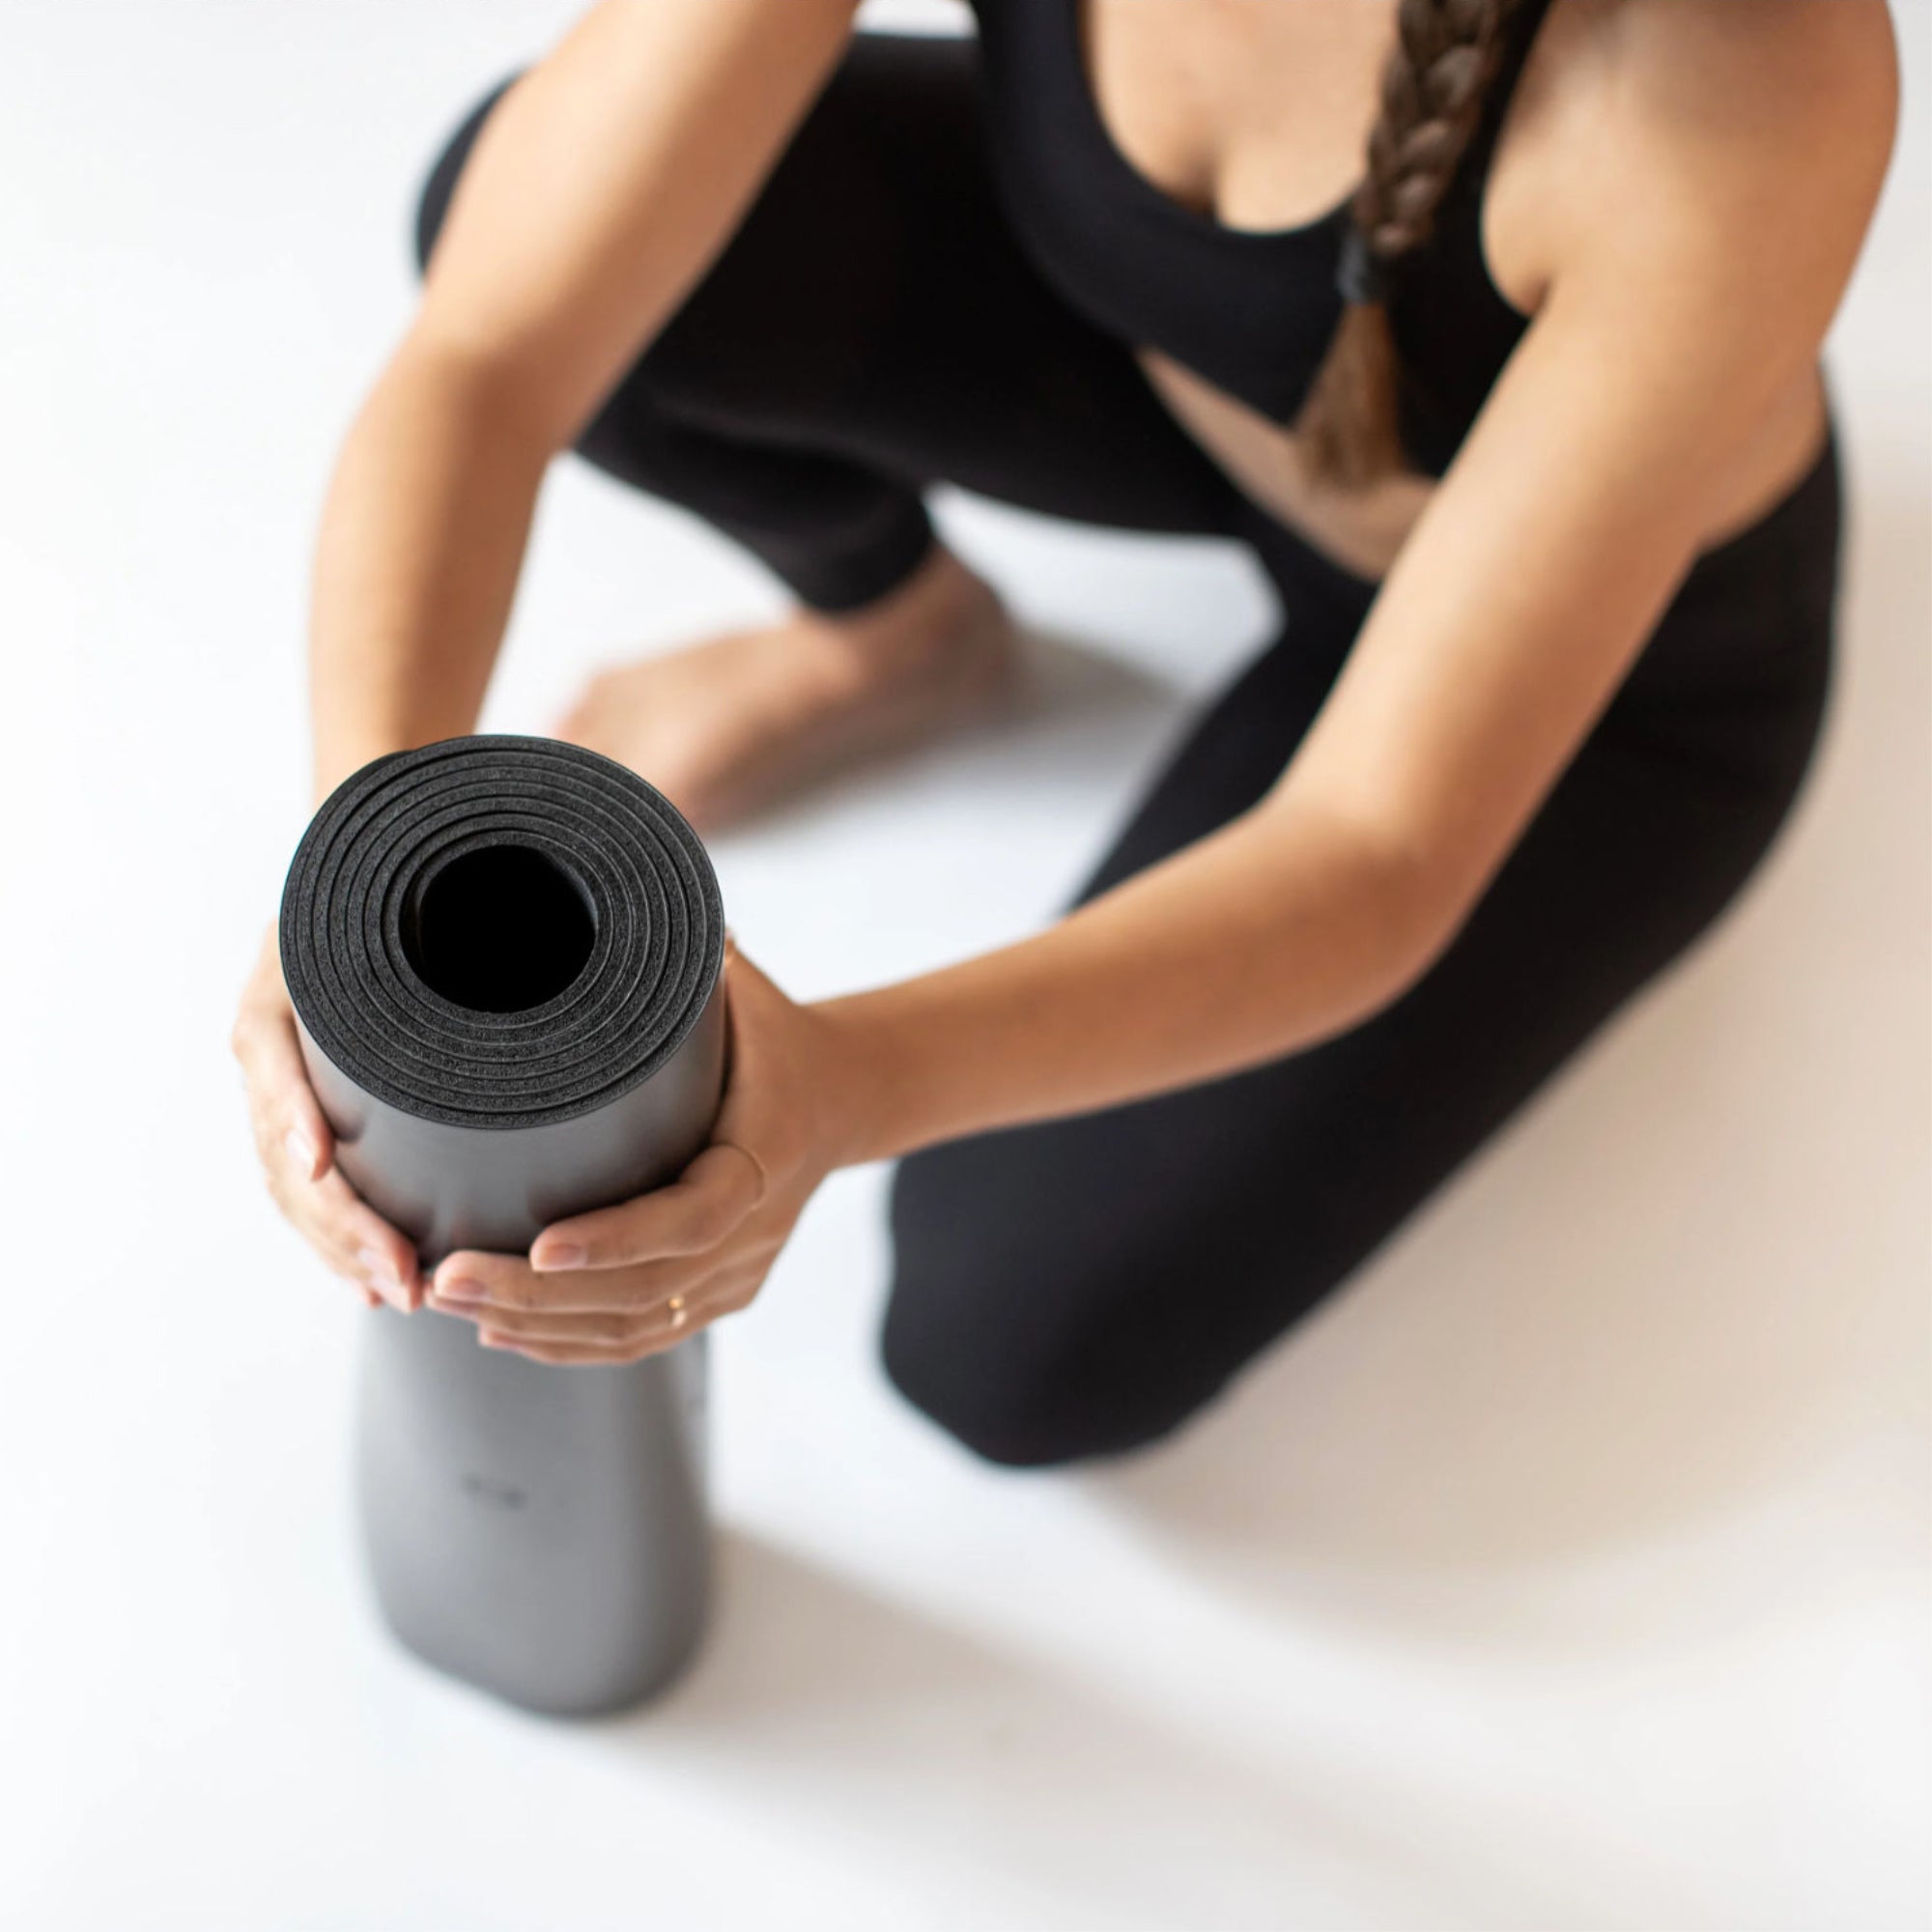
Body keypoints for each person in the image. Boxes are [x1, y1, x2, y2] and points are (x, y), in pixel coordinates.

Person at [233, 0, 1895, 1467]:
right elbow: (495, 346)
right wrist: (357, 892)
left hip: (1628, 689)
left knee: (1006, 1341)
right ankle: (897, 634)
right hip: (1204, 381)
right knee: (531, 202)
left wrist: (832, 1089)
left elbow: (1373, 852)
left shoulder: (1744, 77)